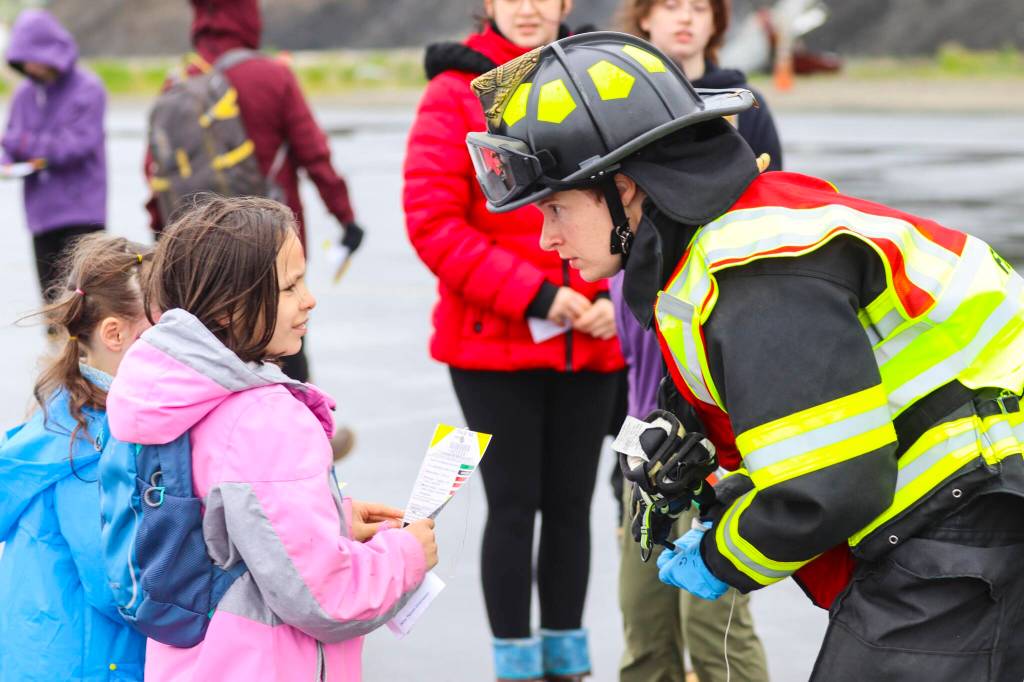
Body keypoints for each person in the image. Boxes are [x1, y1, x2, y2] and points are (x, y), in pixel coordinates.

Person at [466, 32, 1024, 682]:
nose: (546, 237)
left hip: (979, 510)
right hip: (971, 504)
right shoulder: (717, 246)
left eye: (556, 207)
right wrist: (735, 483)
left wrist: (723, 555)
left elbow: (832, 483)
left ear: (624, 188)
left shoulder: (755, 272)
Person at [106, 195, 436, 682]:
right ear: (231, 307)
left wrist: (334, 520)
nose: (310, 299)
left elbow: (221, 535)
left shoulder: (167, 398)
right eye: (290, 286)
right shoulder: (265, 420)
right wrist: (406, 556)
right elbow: (324, 597)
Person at [403, 2, 625, 679]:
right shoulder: (452, 95)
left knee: (570, 508)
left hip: (591, 340)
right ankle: (515, 666)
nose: (528, 7)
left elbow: (638, 195)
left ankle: (568, 659)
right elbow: (433, 222)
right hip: (491, 348)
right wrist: (539, 295)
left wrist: (611, 296)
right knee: (513, 505)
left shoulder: (600, 76)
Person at [612, 1, 777, 680]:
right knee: (644, 632)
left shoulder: (745, 107)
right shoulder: (617, 103)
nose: (683, 18)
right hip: (643, 419)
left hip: (721, 424)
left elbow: (770, 227)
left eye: (697, 6)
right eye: (667, 4)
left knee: (714, 634)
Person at [144, 0, 363, 396]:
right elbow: (314, 154)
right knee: (286, 348)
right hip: (271, 247)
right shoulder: (270, 75)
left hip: (202, 257)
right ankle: (303, 435)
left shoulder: (178, 80)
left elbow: (156, 169)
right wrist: (346, 218)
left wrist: (164, 238)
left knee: (213, 353)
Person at [0, 234, 150, 681]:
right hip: (82, 663)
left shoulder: (64, 412)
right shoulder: (89, 450)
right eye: (161, 331)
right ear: (115, 334)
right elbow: (116, 586)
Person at [2, 9, 106, 305]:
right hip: (41, 214)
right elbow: (11, 141)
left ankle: (87, 352)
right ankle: (55, 348)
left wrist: (21, 142)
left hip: (81, 212)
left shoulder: (88, 88)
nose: (32, 67)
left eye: (35, 58)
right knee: (52, 306)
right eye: (25, 61)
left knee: (86, 305)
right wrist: (8, 157)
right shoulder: (24, 94)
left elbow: (75, 145)